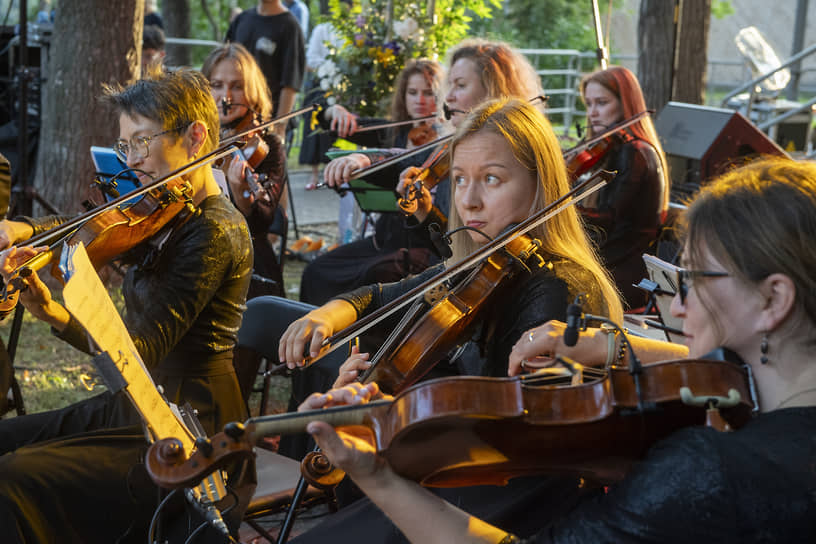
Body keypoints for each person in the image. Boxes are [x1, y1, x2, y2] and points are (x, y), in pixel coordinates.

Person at [303, 156, 816, 543]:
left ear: (774, 299)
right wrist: (611, 347)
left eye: (694, 279)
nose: (677, 307)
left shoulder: (707, 467)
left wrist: (378, 476)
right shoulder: (752, 403)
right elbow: (707, 367)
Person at [277, 98, 624, 542]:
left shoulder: (556, 285)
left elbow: (514, 435)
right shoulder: (481, 264)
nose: (470, 200)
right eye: (460, 180)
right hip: (462, 472)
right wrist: (330, 319)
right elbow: (378, 298)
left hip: (511, 499)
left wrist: (393, 413)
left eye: (492, 179)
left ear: (540, 187)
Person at [0, 69, 254, 543]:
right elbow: (94, 221)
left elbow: (138, 353)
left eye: (142, 143)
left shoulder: (215, 230)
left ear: (195, 137)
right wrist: (25, 231)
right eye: (125, 146)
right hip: (138, 403)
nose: (131, 161)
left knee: (14, 477)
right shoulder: (165, 207)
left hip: (189, 427)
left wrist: (57, 314)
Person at [301, 39, 543, 305]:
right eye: (450, 85)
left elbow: (464, 247)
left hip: (487, 279)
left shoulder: (517, 153)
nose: (448, 96)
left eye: (460, 85)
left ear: (494, 91)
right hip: (448, 263)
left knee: (375, 281)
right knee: (319, 272)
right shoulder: (449, 146)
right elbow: (401, 158)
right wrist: (363, 159)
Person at [299, 58, 446, 305]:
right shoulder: (394, 132)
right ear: (403, 96)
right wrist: (333, 111)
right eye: (412, 93)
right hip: (384, 240)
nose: (419, 101)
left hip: (421, 247)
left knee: (372, 276)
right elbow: (338, 126)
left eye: (428, 93)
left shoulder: (446, 140)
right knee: (316, 270)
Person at [575, 65, 669, 309]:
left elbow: (608, 218)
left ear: (625, 103)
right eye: (589, 104)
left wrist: (562, 206)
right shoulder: (612, 149)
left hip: (622, 275)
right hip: (608, 264)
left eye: (602, 103)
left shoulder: (636, 152)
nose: (593, 113)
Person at [203, 42, 289, 298]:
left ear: (252, 92)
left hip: (245, 249)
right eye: (216, 85)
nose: (225, 97)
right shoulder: (194, 136)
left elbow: (263, 222)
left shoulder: (268, 145)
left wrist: (242, 195)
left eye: (237, 86)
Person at [226, 0, 305, 144]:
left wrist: (279, 127)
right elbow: (224, 61)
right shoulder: (242, 19)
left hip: (268, 121)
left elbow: (290, 83)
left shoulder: (290, 26)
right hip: (236, 121)